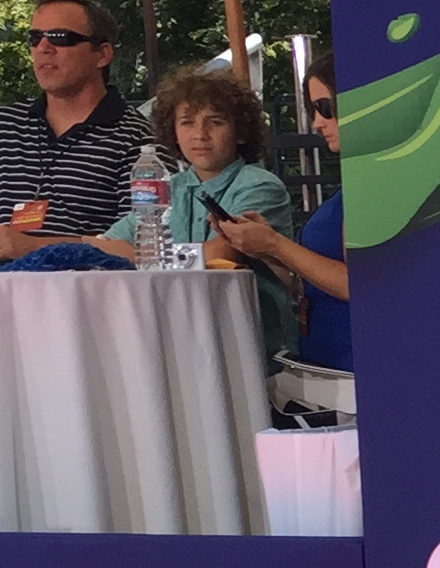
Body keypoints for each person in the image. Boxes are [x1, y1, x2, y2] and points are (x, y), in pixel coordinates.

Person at [99, 65, 298, 356]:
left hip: (252, 343)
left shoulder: (260, 184)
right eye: (187, 123)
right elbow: (105, 244)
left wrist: (145, 254)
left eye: (215, 122)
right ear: (173, 132)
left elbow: (221, 254)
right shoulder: (171, 185)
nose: (200, 134)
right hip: (181, 335)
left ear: (241, 132)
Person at [0, 0, 147, 263]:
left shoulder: (138, 140)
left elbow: (145, 241)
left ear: (102, 54)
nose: (43, 48)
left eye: (60, 37)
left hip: (90, 287)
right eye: (35, 38)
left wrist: (34, 247)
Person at [220, 47, 353, 412]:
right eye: (313, 110)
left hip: (351, 375)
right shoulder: (357, 181)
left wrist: (276, 244)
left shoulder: (376, 181)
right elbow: (309, 281)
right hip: (326, 369)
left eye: (325, 107)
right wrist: (266, 250)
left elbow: (358, 284)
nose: (317, 122)